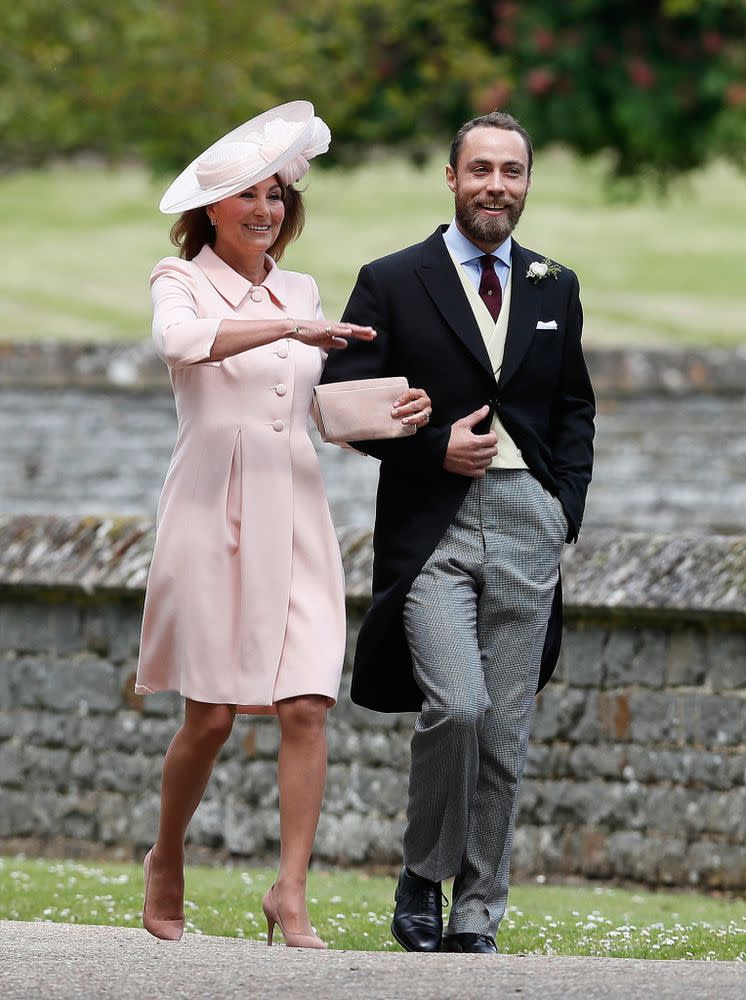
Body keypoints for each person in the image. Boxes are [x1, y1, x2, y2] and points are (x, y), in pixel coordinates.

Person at [134, 101, 431, 948]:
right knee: (215, 715)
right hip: (208, 508)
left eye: (276, 195)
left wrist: (393, 412)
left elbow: (307, 407)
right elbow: (183, 345)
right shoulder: (179, 277)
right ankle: (166, 856)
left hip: (294, 504)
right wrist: (293, 324)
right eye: (248, 197)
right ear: (212, 210)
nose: (266, 210)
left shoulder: (300, 287)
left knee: (307, 703)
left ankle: (290, 891)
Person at [321, 111, 595, 954]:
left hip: (528, 522)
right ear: (451, 178)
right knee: (461, 707)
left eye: (512, 171)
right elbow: (338, 402)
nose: (496, 186)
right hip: (432, 523)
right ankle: (422, 870)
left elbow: (574, 408)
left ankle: (478, 909)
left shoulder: (555, 285)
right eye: (480, 170)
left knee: (507, 725)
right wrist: (435, 445)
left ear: (527, 182)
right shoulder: (393, 278)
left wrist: (564, 510)